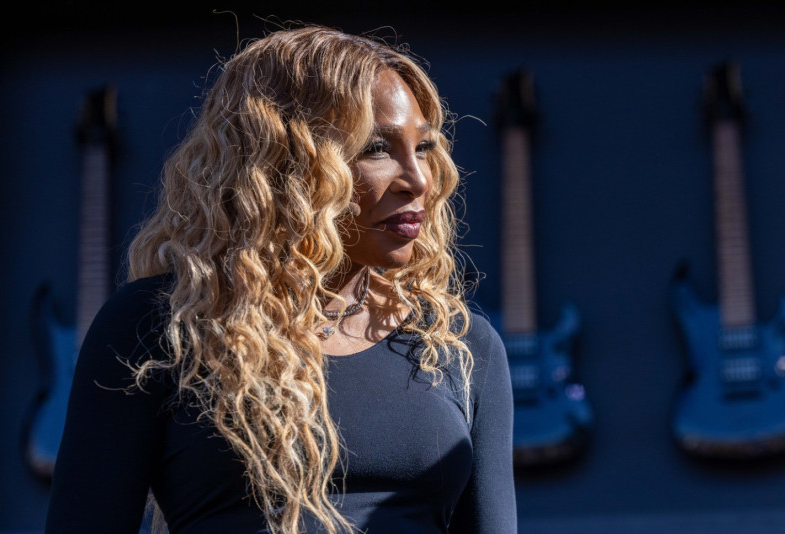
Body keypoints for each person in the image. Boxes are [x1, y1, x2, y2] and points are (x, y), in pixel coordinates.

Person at [45, 24, 516, 534]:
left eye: (423, 147)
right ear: (284, 163)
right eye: (377, 147)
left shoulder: (462, 346)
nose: (419, 179)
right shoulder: (158, 325)